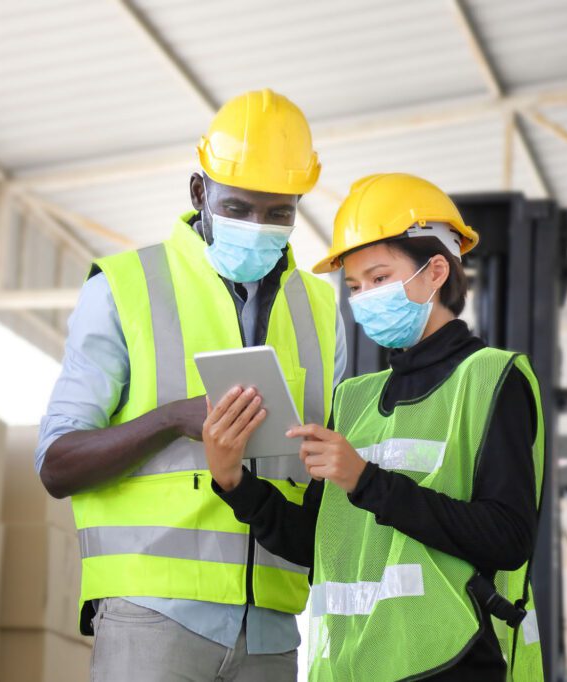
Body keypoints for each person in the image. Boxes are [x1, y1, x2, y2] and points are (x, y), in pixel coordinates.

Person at [36, 89, 348, 681]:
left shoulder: (321, 309)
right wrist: (172, 419)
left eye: (279, 212)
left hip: (272, 627)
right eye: (240, 207)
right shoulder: (126, 286)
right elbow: (57, 464)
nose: (260, 227)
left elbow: (325, 481)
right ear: (199, 192)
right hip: (151, 613)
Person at [203, 172, 545, 681]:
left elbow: (508, 538)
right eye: (356, 286)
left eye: (380, 279)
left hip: (457, 663)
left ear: (434, 272)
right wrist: (234, 482)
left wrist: (366, 481)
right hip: (352, 668)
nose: (364, 298)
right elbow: (317, 545)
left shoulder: (492, 377)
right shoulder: (355, 398)